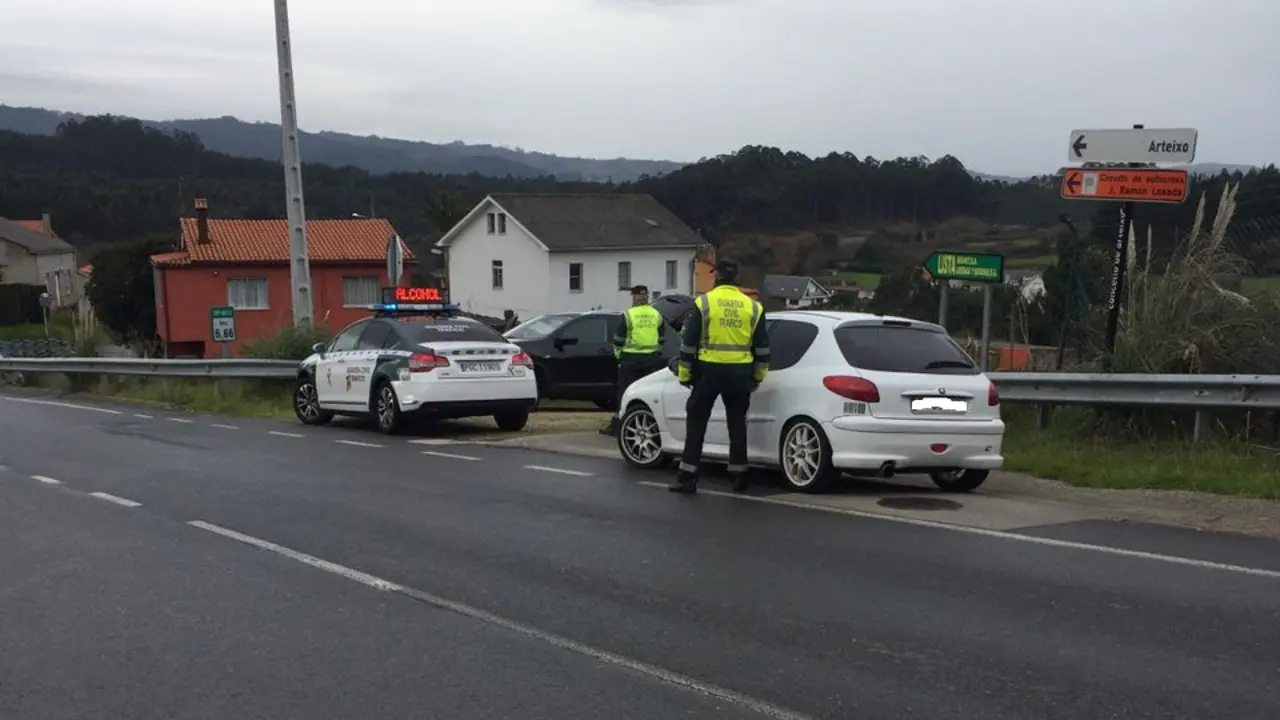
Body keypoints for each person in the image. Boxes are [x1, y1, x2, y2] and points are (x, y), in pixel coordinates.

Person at [670, 259, 769, 494]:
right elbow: (763, 347)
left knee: (696, 422)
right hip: (740, 371)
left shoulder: (704, 303)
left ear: (716, 276)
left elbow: (689, 344)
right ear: (736, 277)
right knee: (737, 423)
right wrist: (757, 376)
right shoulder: (753, 306)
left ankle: (688, 477)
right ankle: (739, 475)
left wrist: (685, 375)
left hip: (709, 370)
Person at [601, 285, 667, 436]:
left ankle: (620, 425)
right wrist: (656, 351)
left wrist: (619, 356)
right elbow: (662, 338)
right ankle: (650, 423)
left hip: (630, 358)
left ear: (634, 296)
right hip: (651, 359)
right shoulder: (656, 314)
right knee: (650, 394)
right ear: (647, 296)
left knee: (625, 392)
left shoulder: (628, 315)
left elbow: (618, 340)